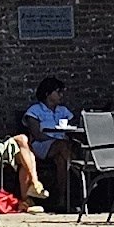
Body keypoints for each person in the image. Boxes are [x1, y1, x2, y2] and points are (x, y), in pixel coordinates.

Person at [19, 76, 79, 211]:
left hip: (62, 147)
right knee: (63, 147)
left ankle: (62, 198)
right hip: (42, 145)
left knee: (61, 160)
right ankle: (78, 174)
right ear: (47, 94)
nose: (61, 95)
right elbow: (37, 134)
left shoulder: (63, 111)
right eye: (58, 92)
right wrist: (56, 140)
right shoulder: (35, 110)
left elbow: (73, 129)